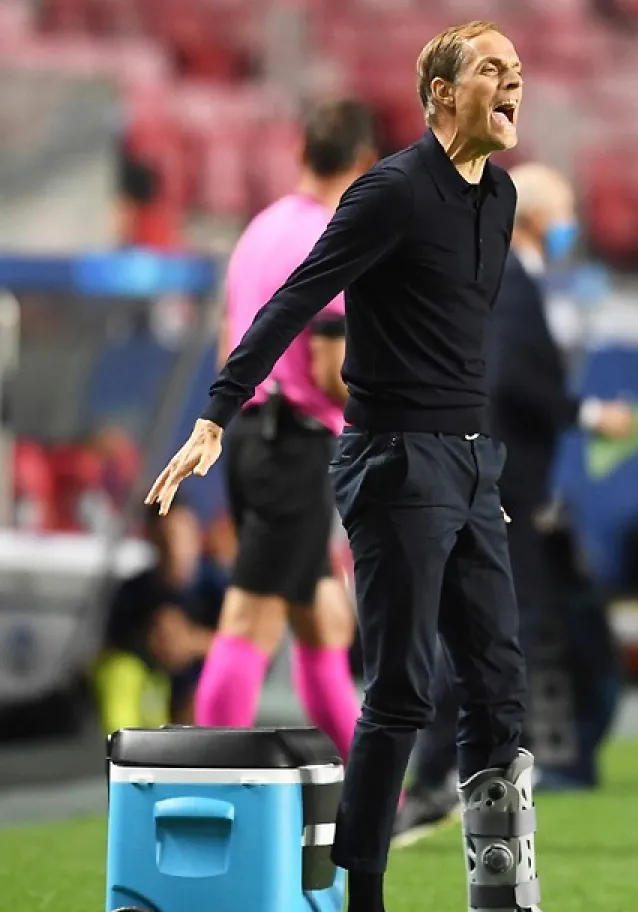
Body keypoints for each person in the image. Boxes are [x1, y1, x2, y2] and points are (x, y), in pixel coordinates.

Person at [146, 21, 541, 912]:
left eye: (517, 69)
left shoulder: (501, 196)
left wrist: (484, 469)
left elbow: (460, 341)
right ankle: (362, 895)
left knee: (499, 683)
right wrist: (217, 411)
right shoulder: (392, 191)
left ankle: (501, 890)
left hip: (470, 463)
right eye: (490, 68)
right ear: (441, 93)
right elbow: (297, 298)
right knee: (402, 688)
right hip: (394, 460)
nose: (513, 82)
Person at [394, 163, 635, 845]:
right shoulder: (509, 279)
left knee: (490, 630)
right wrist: (581, 414)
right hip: (495, 481)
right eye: (563, 213)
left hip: (484, 475)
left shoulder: (492, 272)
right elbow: (512, 381)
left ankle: (460, 769)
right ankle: (447, 772)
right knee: (488, 631)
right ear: (535, 218)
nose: (571, 226)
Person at [192, 99, 378, 761]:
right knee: (249, 621)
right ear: (363, 165)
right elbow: (332, 370)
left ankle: (376, 790)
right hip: (294, 447)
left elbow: (228, 343)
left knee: (322, 621)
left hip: (246, 435)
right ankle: (212, 786)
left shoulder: (258, 230)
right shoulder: (336, 236)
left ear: (301, 151)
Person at [94, 504, 225, 730]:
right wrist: (154, 641)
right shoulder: (133, 593)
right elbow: (111, 648)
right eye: (165, 538)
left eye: (179, 537)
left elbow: (249, 649)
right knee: (119, 675)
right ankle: (127, 752)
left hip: (199, 687)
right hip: (151, 687)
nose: (174, 548)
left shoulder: (219, 589)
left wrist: (192, 642)